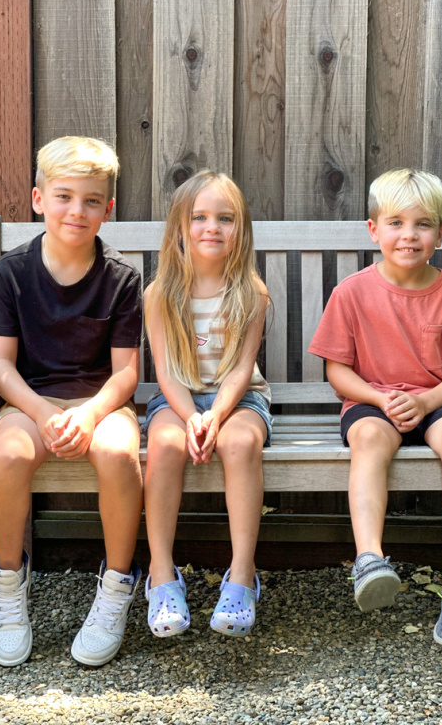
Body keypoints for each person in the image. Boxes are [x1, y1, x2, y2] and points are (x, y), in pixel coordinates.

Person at [309, 168, 442, 652]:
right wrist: (379, 397)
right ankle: (369, 559)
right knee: (367, 438)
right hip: (373, 402)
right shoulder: (352, 292)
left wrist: (425, 400)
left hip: (438, 402)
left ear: (440, 234)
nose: (409, 235)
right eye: (395, 223)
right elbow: (338, 372)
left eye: (423, 224)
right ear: (374, 229)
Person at [0, 136, 143, 667]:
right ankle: (8, 583)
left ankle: (117, 585)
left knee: (120, 455)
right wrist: (42, 411)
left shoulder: (121, 278)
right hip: (30, 404)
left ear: (108, 208)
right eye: (64, 196)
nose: (77, 210)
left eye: (92, 200)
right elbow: (1, 365)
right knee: (7, 456)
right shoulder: (11, 272)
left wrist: (91, 413)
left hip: (102, 404)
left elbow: (126, 374)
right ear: (38, 198)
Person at [142, 169, 272, 638]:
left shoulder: (251, 293)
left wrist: (215, 415)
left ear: (242, 229)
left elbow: (240, 370)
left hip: (240, 400)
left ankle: (241, 577)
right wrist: (192, 415)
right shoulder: (160, 294)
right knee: (166, 447)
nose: (211, 227)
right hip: (178, 399)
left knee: (238, 444)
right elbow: (167, 374)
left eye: (225, 218)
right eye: (199, 217)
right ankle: (161, 576)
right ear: (180, 227)